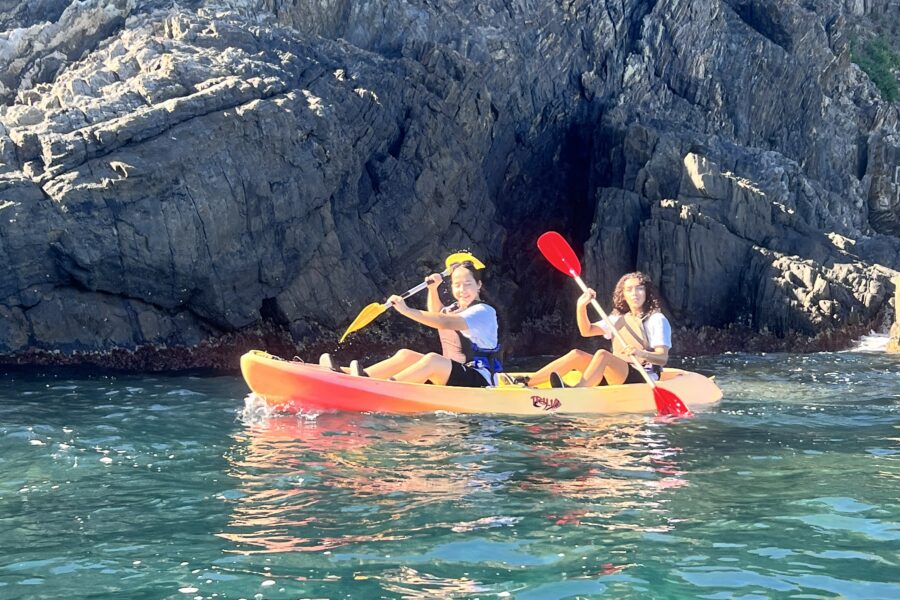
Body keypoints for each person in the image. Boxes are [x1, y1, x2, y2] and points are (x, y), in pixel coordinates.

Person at [321, 262, 501, 387]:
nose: (462, 290)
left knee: (432, 359)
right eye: (457, 285)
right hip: (454, 371)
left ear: (479, 285)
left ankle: (384, 388)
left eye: (467, 284)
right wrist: (432, 289)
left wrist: (406, 310)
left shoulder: (483, 312)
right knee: (405, 355)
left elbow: (445, 322)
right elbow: (437, 314)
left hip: (480, 380)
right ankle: (355, 376)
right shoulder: (456, 307)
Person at [526, 272, 671, 388]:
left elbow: (662, 358)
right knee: (576, 354)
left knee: (602, 354)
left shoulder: (656, 320)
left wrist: (641, 353)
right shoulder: (617, 319)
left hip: (642, 375)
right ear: (623, 294)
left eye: (640, 288)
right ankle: (527, 382)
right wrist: (581, 307)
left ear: (647, 292)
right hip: (616, 374)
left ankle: (576, 392)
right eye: (629, 289)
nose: (635, 293)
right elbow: (586, 331)